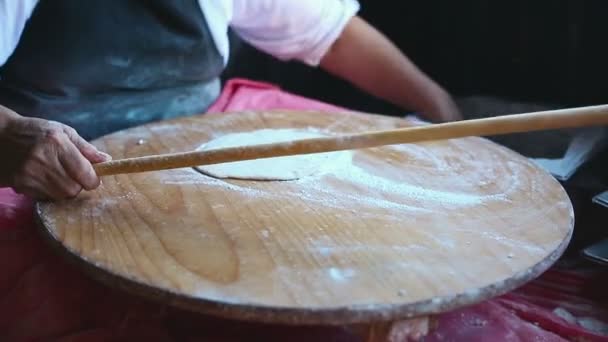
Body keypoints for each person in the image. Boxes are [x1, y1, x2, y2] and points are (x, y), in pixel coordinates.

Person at [0, 0, 461, 201]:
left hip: (202, 125)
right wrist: (8, 135)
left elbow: (332, 34)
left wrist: (440, 108)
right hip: (59, 163)